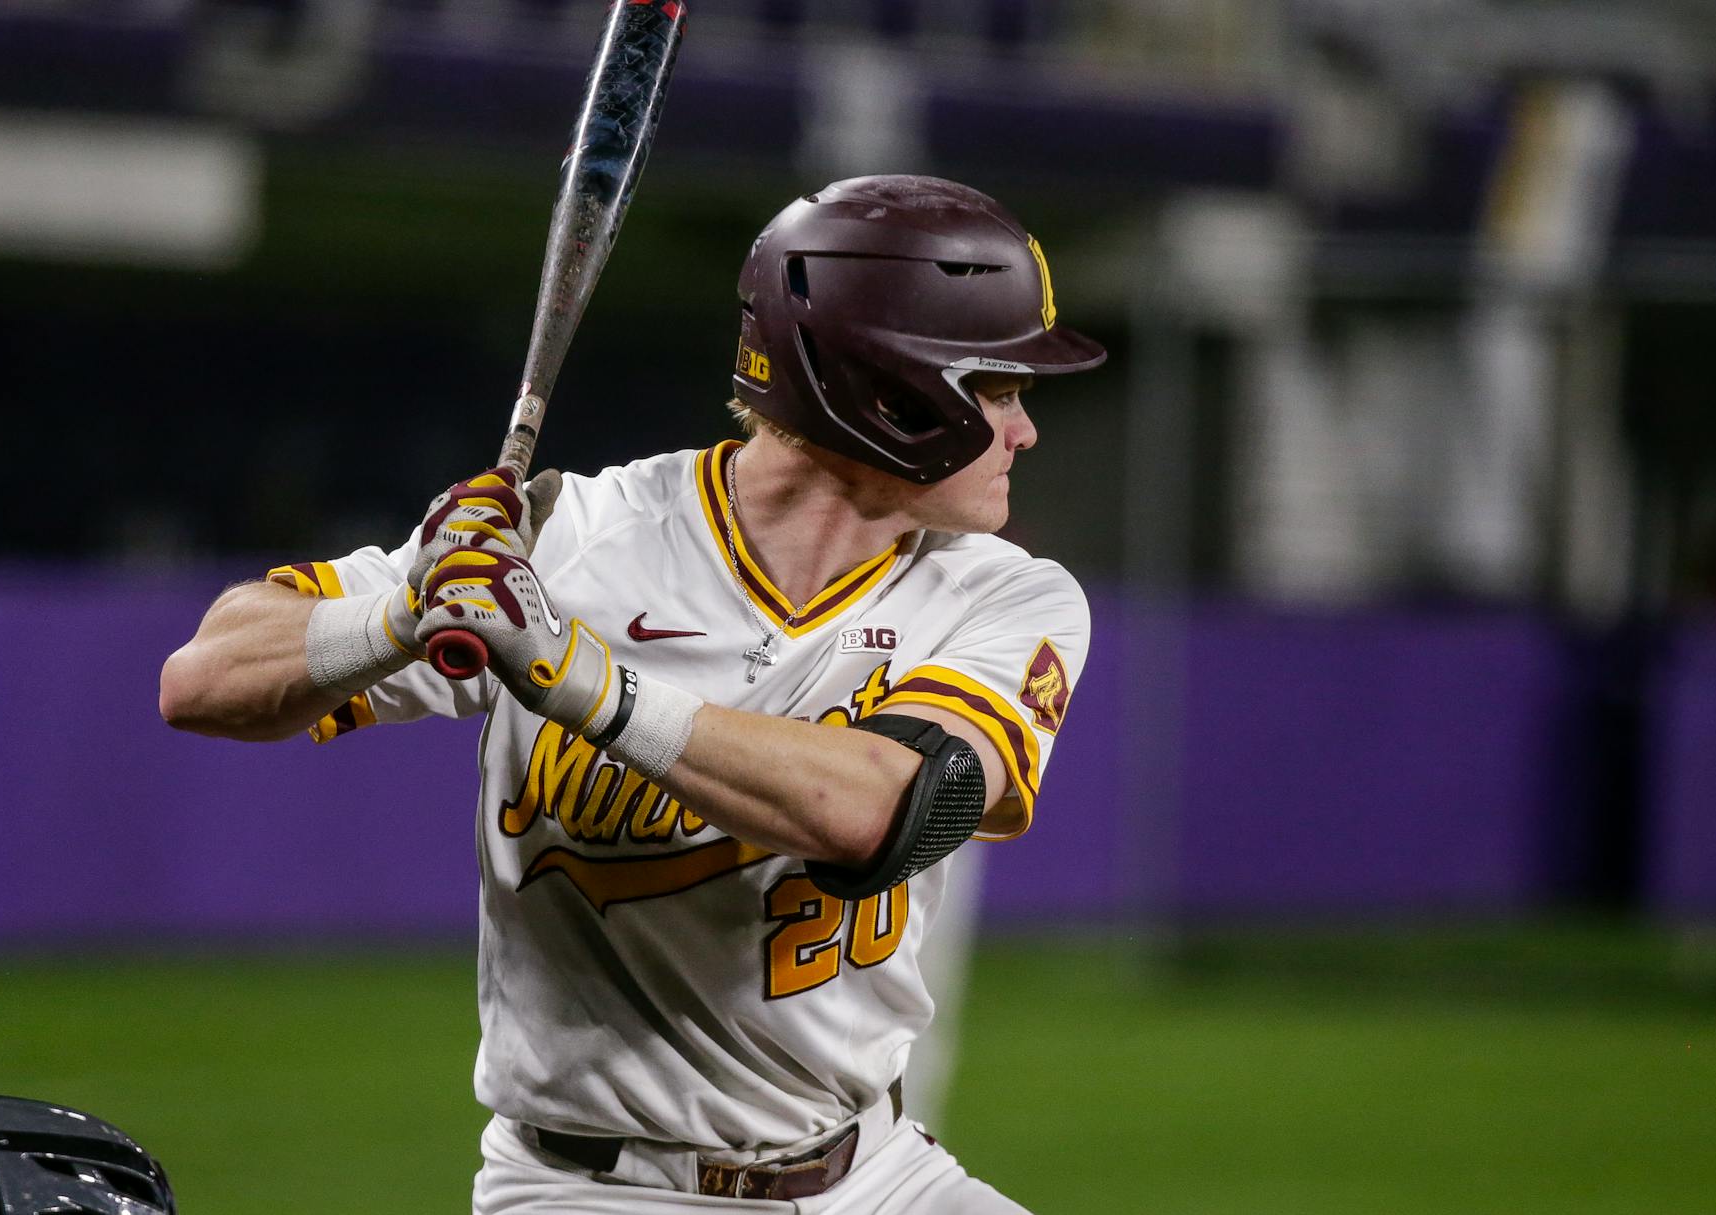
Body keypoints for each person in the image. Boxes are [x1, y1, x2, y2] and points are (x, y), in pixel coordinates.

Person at [161, 175, 1103, 1211]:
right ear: (892, 394)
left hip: (876, 1175)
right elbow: (200, 680)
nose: (1024, 432)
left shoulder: (1005, 593)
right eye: (999, 389)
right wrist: (406, 613)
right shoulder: (573, 538)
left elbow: (885, 810)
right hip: (595, 1188)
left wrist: (578, 679)